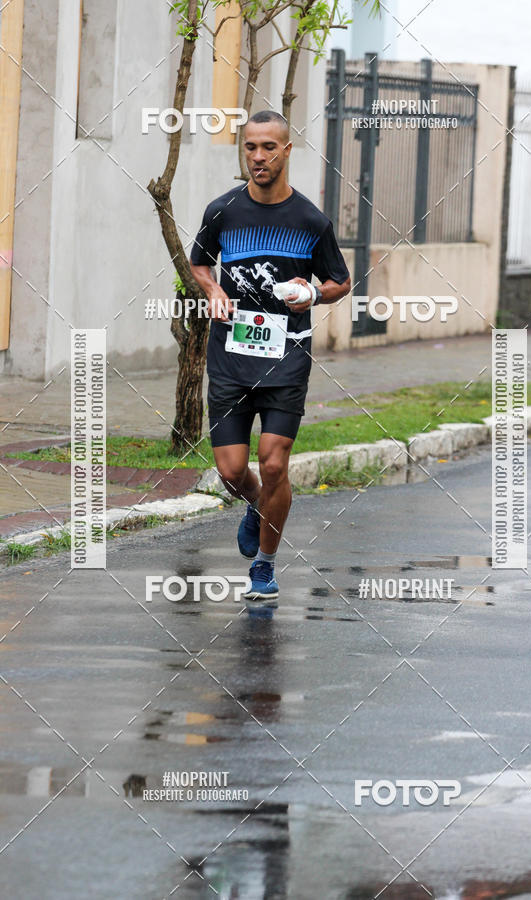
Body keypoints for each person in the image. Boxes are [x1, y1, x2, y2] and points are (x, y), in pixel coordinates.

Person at [190, 110, 351, 614]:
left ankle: (264, 564)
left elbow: (341, 281)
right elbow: (198, 262)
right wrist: (213, 290)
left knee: (274, 462)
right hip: (230, 356)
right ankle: (257, 503)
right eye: (250, 147)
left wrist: (313, 294)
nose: (258, 157)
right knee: (232, 471)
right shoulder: (222, 211)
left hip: (287, 357)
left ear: (286, 150)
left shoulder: (310, 220)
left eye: (268, 147)